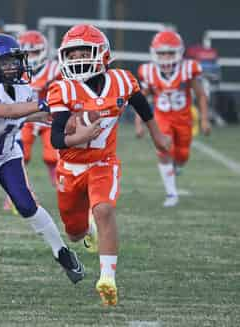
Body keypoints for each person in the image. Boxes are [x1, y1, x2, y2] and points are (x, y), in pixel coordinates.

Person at [47, 24, 170, 306]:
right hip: (70, 167)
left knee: (104, 210)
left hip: (103, 161)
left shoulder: (122, 81)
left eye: (83, 52)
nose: (77, 58)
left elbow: (140, 103)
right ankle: (87, 230)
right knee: (74, 233)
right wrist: (80, 136)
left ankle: (107, 278)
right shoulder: (62, 89)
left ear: (102, 54)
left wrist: (156, 134)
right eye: (72, 53)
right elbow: (56, 139)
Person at [0, 34, 85, 285]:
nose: (15, 66)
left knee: (27, 205)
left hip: (8, 154)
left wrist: (53, 117)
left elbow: (20, 116)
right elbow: (5, 111)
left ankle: (62, 253)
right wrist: (43, 105)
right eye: (7, 62)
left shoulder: (22, 87)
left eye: (15, 60)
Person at [134, 30, 211, 207]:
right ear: (154, 54)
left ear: (179, 52)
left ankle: (175, 168)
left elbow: (200, 95)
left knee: (182, 156)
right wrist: (139, 123)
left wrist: (204, 119)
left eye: (170, 52)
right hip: (161, 118)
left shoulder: (187, 70)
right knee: (163, 150)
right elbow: (140, 99)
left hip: (184, 119)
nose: (166, 57)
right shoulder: (149, 72)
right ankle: (171, 193)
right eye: (162, 53)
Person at [18, 30, 60, 187]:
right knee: (20, 155)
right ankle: (15, 193)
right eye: (26, 53)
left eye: (34, 52)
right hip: (25, 118)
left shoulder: (55, 69)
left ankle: (61, 188)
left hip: (49, 117)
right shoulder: (14, 71)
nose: (30, 57)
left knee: (53, 156)